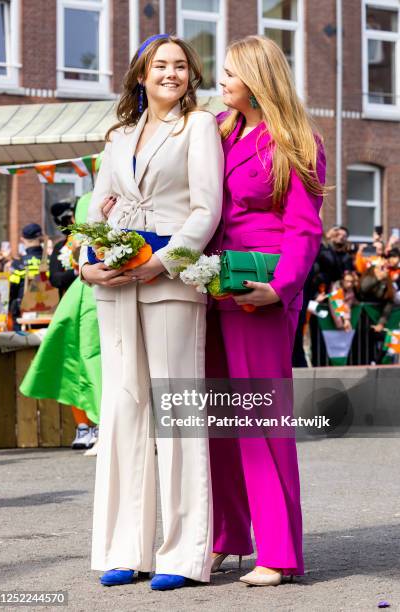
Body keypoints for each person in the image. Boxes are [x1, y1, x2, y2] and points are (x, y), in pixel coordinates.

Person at [81, 35, 223, 590]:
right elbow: (95, 210)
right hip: (113, 285)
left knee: (178, 416)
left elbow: (206, 209)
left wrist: (162, 262)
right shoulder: (116, 136)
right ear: (140, 74)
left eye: (180, 66)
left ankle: (184, 556)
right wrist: (85, 264)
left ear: (191, 75)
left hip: (170, 282)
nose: (171, 73)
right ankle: (123, 549)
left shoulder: (200, 127)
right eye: (160, 65)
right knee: (122, 411)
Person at [205, 36, 326, 586]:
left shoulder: (297, 140)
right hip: (211, 288)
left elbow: (305, 228)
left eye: (229, 73)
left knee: (260, 417)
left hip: (262, 291)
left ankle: (277, 552)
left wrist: (278, 289)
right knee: (218, 421)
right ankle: (228, 537)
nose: (220, 81)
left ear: (256, 77)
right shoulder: (219, 132)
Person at [20, 192, 101, 453]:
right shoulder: (61, 248)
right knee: (75, 363)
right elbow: (55, 278)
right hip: (74, 307)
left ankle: (102, 423)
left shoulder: (103, 240)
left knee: (95, 364)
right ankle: (84, 426)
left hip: (99, 302)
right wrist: (80, 269)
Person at [9, 223, 44, 329]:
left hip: (23, 317)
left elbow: (12, 290)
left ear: (23, 239)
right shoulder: (52, 261)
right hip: (50, 313)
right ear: (41, 238)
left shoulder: (18, 264)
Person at [49, 201, 78, 299]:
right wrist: (76, 272)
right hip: (70, 296)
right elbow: (55, 279)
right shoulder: (60, 247)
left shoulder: (92, 239)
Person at [315, 225, 354, 291]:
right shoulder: (324, 250)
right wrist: (327, 237)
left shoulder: (347, 257)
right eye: (338, 234)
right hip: (319, 288)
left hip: (337, 289)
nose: (341, 237)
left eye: (344, 236)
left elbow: (348, 274)